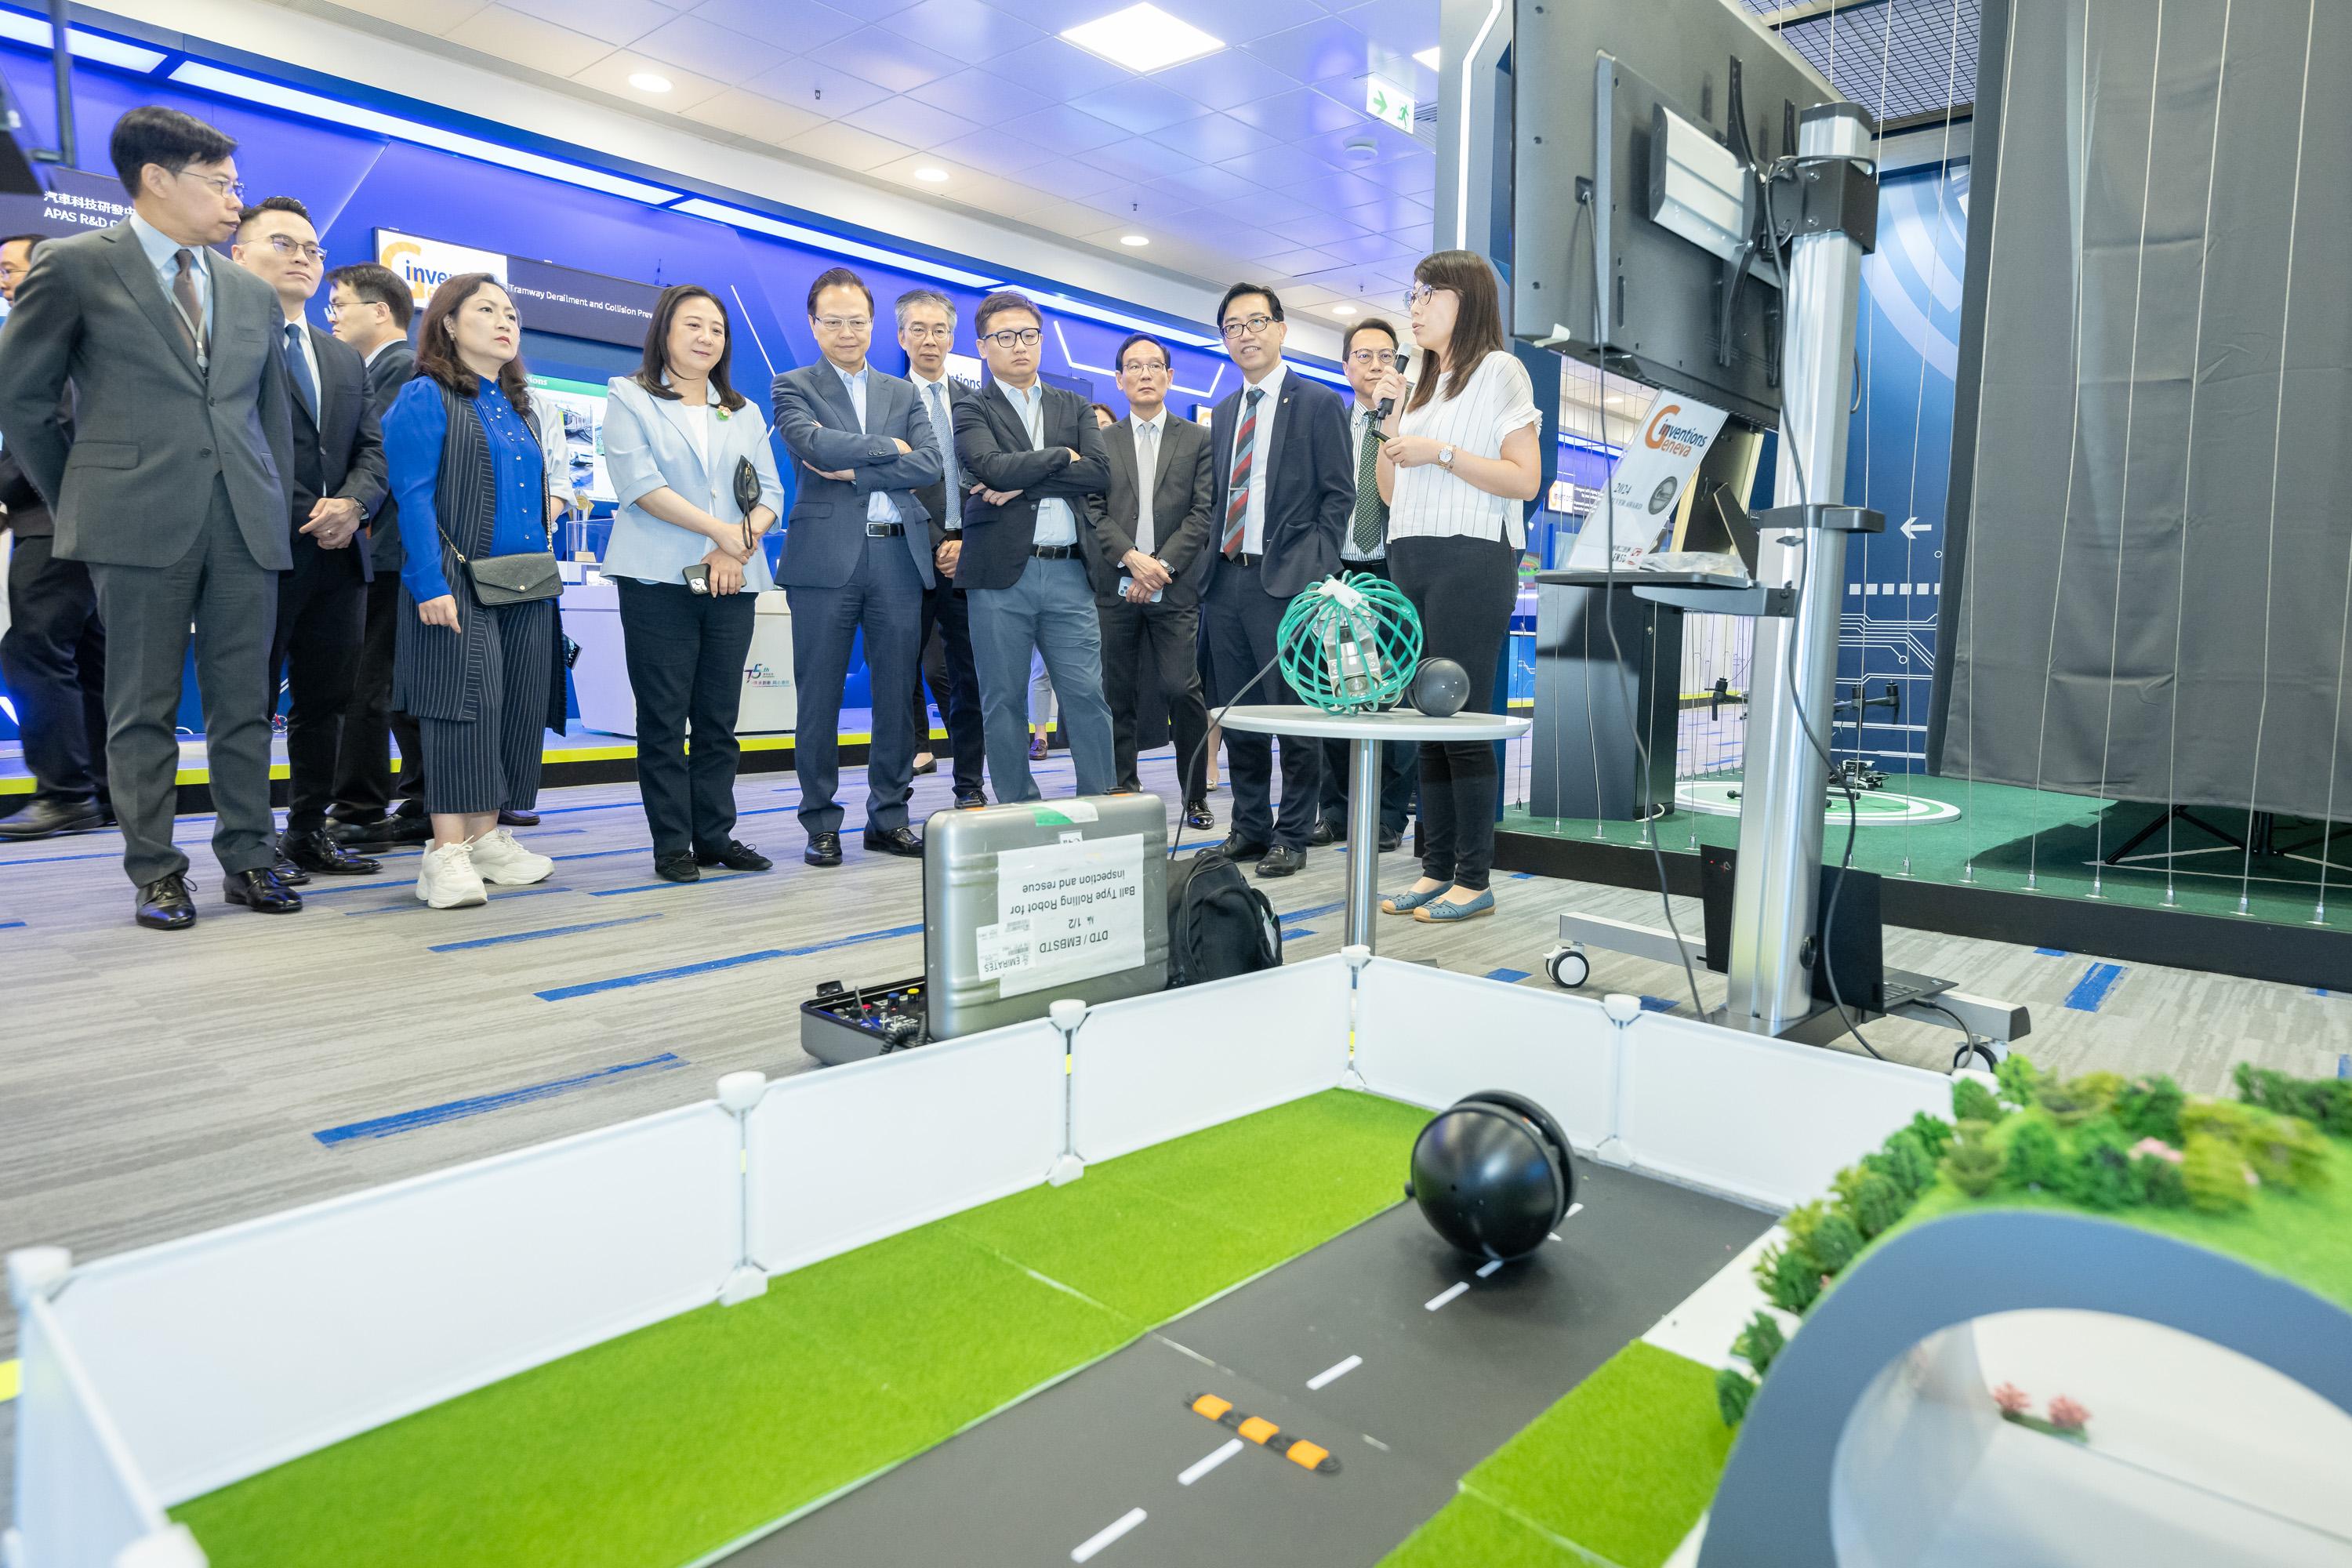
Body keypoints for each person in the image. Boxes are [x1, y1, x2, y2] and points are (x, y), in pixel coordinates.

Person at [0, 107, 301, 928]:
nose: (235, 199)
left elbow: (266, 418)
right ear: (158, 179)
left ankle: (250, 854)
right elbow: (23, 402)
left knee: (245, 702)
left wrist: (273, 504)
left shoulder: (246, 289)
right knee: (141, 703)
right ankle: (157, 869)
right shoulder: (73, 266)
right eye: (220, 183)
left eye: (235, 183)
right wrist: (78, 499)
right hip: (133, 520)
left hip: (243, 518)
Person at [1373, 252, 1543, 924]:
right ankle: (1433, 868)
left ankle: (1474, 876)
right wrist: (1390, 434)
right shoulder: (1418, 387)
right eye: (1410, 294)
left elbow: (1524, 478)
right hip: (1410, 553)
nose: (1413, 306)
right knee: (1425, 723)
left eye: (1427, 294)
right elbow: (1393, 491)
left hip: (1472, 556)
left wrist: (1438, 452)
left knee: (1460, 721)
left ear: (1465, 300)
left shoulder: (1500, 370)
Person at [381, 273, 559, 909]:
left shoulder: (517, 409)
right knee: (461, 708)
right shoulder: (426, 397)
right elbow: (413, 498)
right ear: (449, 325)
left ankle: (486, 841)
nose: (505, 321)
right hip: (455, 580)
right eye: (486, 310)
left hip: (526, 584)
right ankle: (444, 853)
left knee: (510, 709)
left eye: (511, 312)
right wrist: (429, 583)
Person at [600, 284, 783, 883]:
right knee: (662, 718)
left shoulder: (744, 410)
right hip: (657, 578)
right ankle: (671, 843)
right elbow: (640, 485)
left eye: (717, 329)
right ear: (665, 332)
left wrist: (735, 544)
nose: (707, 338)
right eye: (693, 326)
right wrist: (720, 535)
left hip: (735, 578)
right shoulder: (629, 395)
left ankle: (715, 836)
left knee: (717, 719)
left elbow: (771, 496)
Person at [230, 197, 387, 883]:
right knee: (249, 706)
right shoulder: (223, 340)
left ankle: (307, 832)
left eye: (312, 250)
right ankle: (249, 845)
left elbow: (373, 450)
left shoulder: (342, 357)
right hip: (257, 553)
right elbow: (228, 444)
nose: (303, 258)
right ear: (238, 255)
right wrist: (310, 509)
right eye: (283, 244)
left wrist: (352, 504)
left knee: (327, 704)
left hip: (338, 558)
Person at [772, 266, 941, 866]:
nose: (847, 332)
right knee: (817, 698)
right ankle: (821, 823)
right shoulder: (792, 385)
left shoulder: (905, 393)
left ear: (875, 325)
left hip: (897, 556)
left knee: (897, 698)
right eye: (834, 321)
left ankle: (888, 819)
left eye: (858, 320)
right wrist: (888, 448)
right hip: (824, 563)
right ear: (814, 325)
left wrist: (859, 466)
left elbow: (928, 466)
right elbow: (812, 446)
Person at [1201, 281, 1351, 878]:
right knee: (1238, 716)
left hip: (1288, 582)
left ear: (1281, 329)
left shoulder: (1316, 403)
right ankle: (1250, 826)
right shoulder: (1223, 413)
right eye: (1233, 326)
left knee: (1294, 717)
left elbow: (1339, 498)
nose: (1246, 334)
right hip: (1226, 580)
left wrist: (1313, 571)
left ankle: (1292, 833)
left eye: (1256, 322)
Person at [952, 289, 1115, 801]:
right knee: (1002, 701)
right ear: (983, 346)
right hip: (1000, 576)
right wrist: (1061, 457)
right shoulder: (970, 406)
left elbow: (1102, 474)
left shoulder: (1074, 405)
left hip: (1070, 573)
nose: (1019, 346)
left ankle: (1100, 803)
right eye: (1005, 337)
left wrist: (1023, 481)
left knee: (1087, 696)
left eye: (1028, 335)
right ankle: (1019, 808)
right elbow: (989, 467)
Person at [0, 232, 109, 842]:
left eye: (11, 269)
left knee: (33, 650)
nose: (4, 280)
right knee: (87, 658)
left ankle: (64, 794)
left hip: (52, 520)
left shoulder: (54, 332)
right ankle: (99, 792)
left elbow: (48, 425)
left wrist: (6, 494)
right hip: (75, 522)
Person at [1083, 331, 1214, 829]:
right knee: (1116, 693)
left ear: (1169, 377)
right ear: (1119, 380)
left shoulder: (1199, 439)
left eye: (1153, 366)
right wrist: (1133, 559)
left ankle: (1194, 794)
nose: (1144, 374)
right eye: (1133, 367)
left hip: (1174, 587)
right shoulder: (1098, 441)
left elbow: (1203, 514)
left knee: (1183, 689)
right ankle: (1124, 784)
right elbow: (1092, 510)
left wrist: (1160, 568)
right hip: (1115, 585)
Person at [321, 261, 425, 848]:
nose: (331, 317)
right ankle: (416, 799)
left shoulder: (399, 369)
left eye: (340, 304)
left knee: (370, 682)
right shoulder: (381, 369)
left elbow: (376, 460)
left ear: (380, 311)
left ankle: (361, 807)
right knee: (391, 683)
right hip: (387, 550)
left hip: (388, 549)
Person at [1315, 316, 1414, 853]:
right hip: (1341, 574)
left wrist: (1395, 420)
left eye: (1386, 355)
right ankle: (1335, 811)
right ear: (1346, 365)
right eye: (1363, 355)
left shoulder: (1416, 420)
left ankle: (1390, 816)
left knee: (1392, 696)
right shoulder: (1329, 420)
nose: (1375, 365)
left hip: (1394, 571)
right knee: (1340, 692)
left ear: (1399, 363)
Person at [896, 287, 985, 808]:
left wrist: (962, 541)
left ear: (952, 337)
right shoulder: (889, 399)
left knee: (967, 676)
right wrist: (936, 541)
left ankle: (970, 786)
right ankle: (896, 791)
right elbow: (888, 480)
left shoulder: (975, 404)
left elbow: (990, 480)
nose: (930, 339)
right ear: (902, 335)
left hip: (969, 556)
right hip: (906, 555)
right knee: (899, 673)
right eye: (919, 329)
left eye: (939, 330)